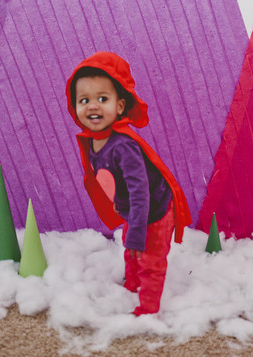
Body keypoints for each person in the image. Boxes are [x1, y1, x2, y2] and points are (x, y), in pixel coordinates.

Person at [66, 51, 192, 316]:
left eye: (103, 99)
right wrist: (121, 207)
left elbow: (140, 192)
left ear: (120, 106)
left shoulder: (124, 147)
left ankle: (148, 308)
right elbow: (113, 180)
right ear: (74, 106)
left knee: (149, 258)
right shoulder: (94, 141)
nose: (92, 106)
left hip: (155, 211)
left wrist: (137, 231)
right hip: (134, 210)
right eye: (84, 100)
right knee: (130, 249)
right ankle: (131, 284)